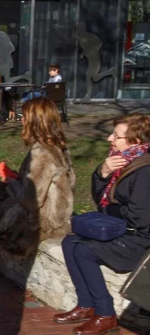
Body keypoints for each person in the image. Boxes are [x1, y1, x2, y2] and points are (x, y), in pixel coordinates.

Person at [54, 114, 150, 335]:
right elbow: (101, 199)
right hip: (123, 230)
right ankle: (86, 304)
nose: (109, 139)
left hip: (140, 242)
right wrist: (102, 173)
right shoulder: (123, 161)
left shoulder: (144, 170)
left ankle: (106, 314)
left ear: (134, 141)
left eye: (116, 136)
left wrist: (109, 210)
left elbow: (140, 218)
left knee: (84, 250)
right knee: (70, 242)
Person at [0, 97, 75, 285]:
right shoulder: (59, 147)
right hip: (51, 214)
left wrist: (11, 182)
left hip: (40, 221)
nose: (21, 120)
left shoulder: (42, 153)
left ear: (34, 121)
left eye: (24, 116)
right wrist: (18, 179)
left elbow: (31, 200)